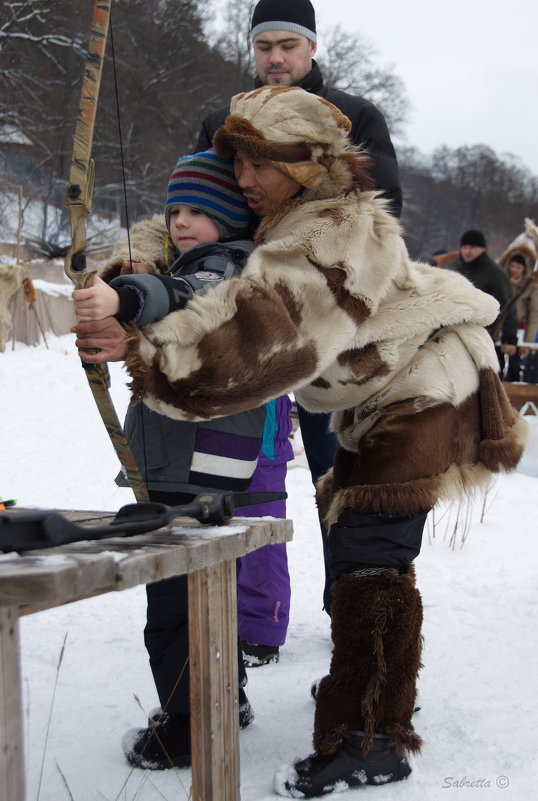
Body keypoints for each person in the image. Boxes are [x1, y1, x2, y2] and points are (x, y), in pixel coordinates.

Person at [74, 86, 528, 796]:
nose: (244, 179)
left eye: (259, 162)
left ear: (309, 165)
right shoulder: (287, 222)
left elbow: (262, 336)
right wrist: (132, 293)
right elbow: (206, 276)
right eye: (239, 165)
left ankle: (374, 735)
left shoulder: (330, 231)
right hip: (380, 394)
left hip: (424, 386)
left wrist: (142, 350)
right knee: (359, 553)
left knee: (370, 557)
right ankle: (371, 700)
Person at [73, 149, 293, 767]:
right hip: (191, 462)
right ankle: (224, 698)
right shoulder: (201, 264)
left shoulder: (228, 267)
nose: (180, 222)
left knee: (174, 601)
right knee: (201, 592)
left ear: (230, 216)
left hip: (200, 463)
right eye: (174, 210)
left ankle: (190, 723)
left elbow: (190, 294)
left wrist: (127, 299)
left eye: (198, 210)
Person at [197, 0, 403, 614]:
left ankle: (346, 603)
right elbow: (202, 207)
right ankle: (249, 611)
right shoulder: (225, 118)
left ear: (312, 48)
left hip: (330, 321)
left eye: (289, 45)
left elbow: (383, 208)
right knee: (238, 468)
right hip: (247, 314)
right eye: (265, 46)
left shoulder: (355, 116)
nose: (276, 58)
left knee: (334, 471)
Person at [447, 229, 518, 375]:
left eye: (473, 247)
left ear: (483, 249)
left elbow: (508, 307)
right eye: (465, 247)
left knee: (484, 378)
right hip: (450, 334)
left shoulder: (495, 274)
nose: (468, 251)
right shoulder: (452, 268)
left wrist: (509, 339)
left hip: (483, 335)